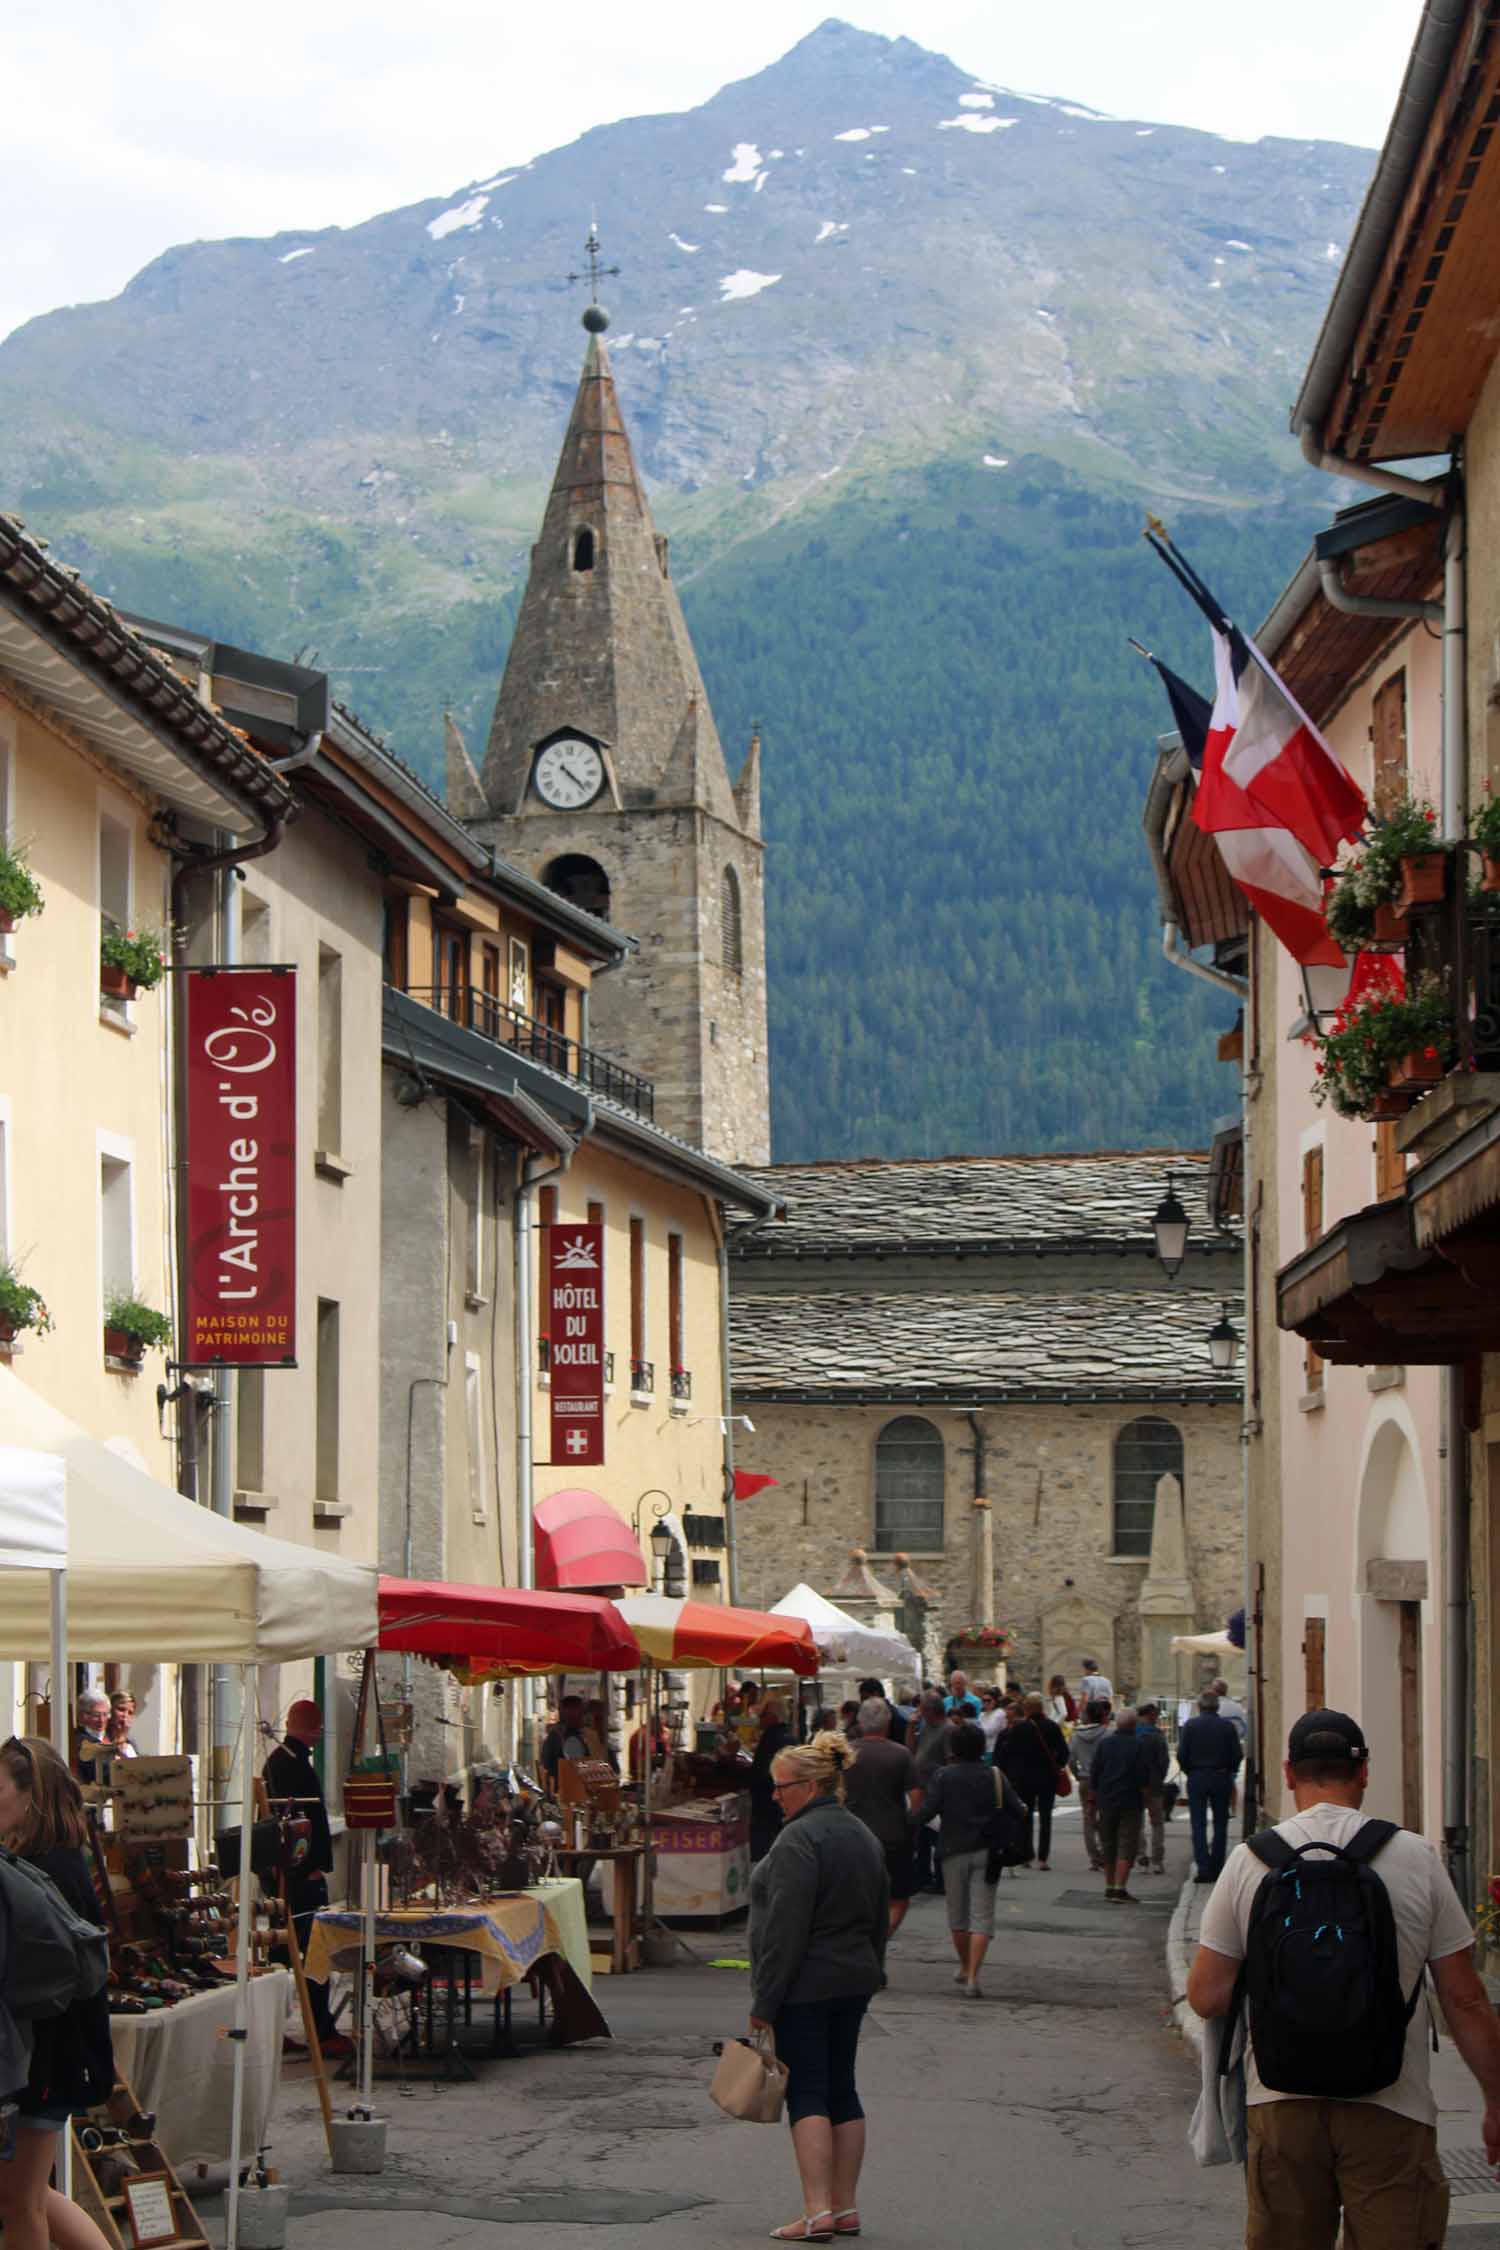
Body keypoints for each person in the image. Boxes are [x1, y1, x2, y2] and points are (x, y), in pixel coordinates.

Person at [1187, 1708, 1500, 2250]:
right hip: (1390, 2102)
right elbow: (1465, 1998)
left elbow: (1207, 1996)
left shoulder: (1249, 1861)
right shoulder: (1416, 1857)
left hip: (1280, 2101)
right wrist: (1496, 2099)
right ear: (1364, 1772)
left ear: (1288, 1773)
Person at [749, 1732, 888, 2243]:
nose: (774, 1796)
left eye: (780, 1787)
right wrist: (874, 1970)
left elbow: (785, 1928)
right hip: (853, 1978)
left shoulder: (798, 1840)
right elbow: (879, 1914)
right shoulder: (861, 1834)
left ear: (808, 1786)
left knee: (806, 2092)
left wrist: (764, 2002)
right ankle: (845, 2206)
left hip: (806, 1983)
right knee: (842, 2089)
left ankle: (816, 2211)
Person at [0, 1736, 116, 2250]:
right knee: (28, 2194)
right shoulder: (48, 1864)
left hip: (44, 2059)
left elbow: (46, 1981)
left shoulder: (47, 1873)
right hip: (47, 2057)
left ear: (30, 1796)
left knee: (19, 2202)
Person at [264, 1699, 348, 2053]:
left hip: (288, 1872)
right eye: (319, 1725)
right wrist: (308, 1867)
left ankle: (283, 2028)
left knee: (287, 1952)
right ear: (313, 1727)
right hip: (297, 1874)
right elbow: (298, 1822)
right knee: (309, 1952)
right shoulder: (290, 1762)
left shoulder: (285, 1760)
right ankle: (321, 2031)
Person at [918, 1720, 1022, 1999]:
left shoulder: (943, 1776)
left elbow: (926, 1812)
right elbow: (1019, 1808)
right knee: (982, 1915)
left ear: (954, 1748)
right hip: (988, 1852)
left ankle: (964, 1965)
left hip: (952, 1850)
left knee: (958, 1915)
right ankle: (974, 1976)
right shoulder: (995, 1775)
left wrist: (907, 1821)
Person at [842, 1697, 919, 1932]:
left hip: (853, 1838)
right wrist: (910, 1827)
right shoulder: (902, 1754)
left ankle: (862, 1940)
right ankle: (880, 1938)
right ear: (887, 1721)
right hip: (892, 1836)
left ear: (860, 1722)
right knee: (898, 1899)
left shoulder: (846, 1754)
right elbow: (916, 1799)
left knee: (855, 1897)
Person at [995, 1693, 1068, 1870]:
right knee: (1045, 1817)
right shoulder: (1052, 1727)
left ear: (1027, 1709)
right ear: (1042, 1708)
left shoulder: (1019, 1729)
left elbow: (1007, 1754)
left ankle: (1026, 1855)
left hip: (1024, 1778)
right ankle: (1043, 1858)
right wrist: (1056, 1765)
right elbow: (1064, 1753)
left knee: (1024, 1816)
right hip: (1047, 1778)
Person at [1177, 1688, 1243, 1883]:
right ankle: (1217, 1866)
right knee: (1220, 1823)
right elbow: (1237, 1755)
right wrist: (1228, 1770)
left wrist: (1191, 1771)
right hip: (1221, 1776)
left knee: (1198, 1824)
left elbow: (1182, 1755)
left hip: (1197, 1776)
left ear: (1199, 1706)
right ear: (1217, 1707)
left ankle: (1203, 1868)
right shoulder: (1227, 1727)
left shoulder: (1190, 1726)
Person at [1088, 1707, 1149, 1903]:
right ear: (1134, 1725)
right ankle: (1120, 1888)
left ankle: (1109, 1886)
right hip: (1130, 1801)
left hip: (1106, 1800)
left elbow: (1095, 1774)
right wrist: (1145, 1799)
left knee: (1108, 1844)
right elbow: (1143, 1777)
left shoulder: (1105, 1745)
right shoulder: (1139, 1746)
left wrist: (1092, 1801)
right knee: (1126, 1845)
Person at [910, 1690, 953, 1894]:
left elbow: (950, 1761)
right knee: (923, 1836)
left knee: (937, 1836)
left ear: (930, 1710)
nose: (920, 1713)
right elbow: (912, 1749)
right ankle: (923, 1876)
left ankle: (941, 1879)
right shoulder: (926, 1726)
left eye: (922, 1709)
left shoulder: (947, 1730)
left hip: (937, 1790)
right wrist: (911, 1726)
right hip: (923, 1788)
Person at [749, 1695, 796, 1863]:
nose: (759, 1719)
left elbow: (764, 1775)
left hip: (768, 1813)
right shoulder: (788, 1737)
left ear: (772, 1717)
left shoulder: (772, 1739)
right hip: (782, 1811)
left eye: (763, 1715)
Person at [1068, 1699, 1112, 1871]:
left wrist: (1077, 1774)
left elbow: (1070, 1759)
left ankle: (1094, 1858)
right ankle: (1104, 1851)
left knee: (1088, 1819)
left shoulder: (1076, 1735)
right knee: (1105, 1817)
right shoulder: (1108, 1734)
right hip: (1104, 1780)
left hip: (1085, 1779)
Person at [1135, 1702, 1170, 1876]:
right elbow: (1164, 1761)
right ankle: (1157, 1860)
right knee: (1157, 1823)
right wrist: (1159, 1778)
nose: (1157, 1718)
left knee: (1137, 1823)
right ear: (1150, 1715)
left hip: (1135, 1786)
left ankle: (1141, 1857)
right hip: (1155, 1785)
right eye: (1155, 1715)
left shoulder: (1132, 1734)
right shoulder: (1157, 1736)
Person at [539, 1695, 590, 1787]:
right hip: (566, 1790)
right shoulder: (562, 1736)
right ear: (570, 1713)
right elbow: (578, 1765)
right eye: (581, 1713)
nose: (583, 1717)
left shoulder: (570, 1733)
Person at [71, 1690, 111, 1778]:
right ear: (83, 1716)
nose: (102, 1720)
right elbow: (103, 1772)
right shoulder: (79, 1742)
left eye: (105, 1714)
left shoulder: (112, 1737)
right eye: (96, 1715)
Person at [1210, 1676, 1250, 1744]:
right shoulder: (1238, 1707)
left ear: (1213, 1691)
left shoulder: (1211, 1709)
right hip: (1235, 1744)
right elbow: (1245, 1728)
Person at [104, 1692, 139, 1760]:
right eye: (121, 1709)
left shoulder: (131, 1744)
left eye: (130, 1713)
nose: (125, 1715)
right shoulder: (101, 1740)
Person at [977, 1685, 1007, 1755]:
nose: (986, 1703)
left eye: (989, 1700)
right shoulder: (982, 1714)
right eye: (984, 1700)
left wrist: (979, 1729)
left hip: (994, 1750)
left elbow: (989, 1731)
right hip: (983, 1749)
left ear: (995, 1701)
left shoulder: (1000, 1713)